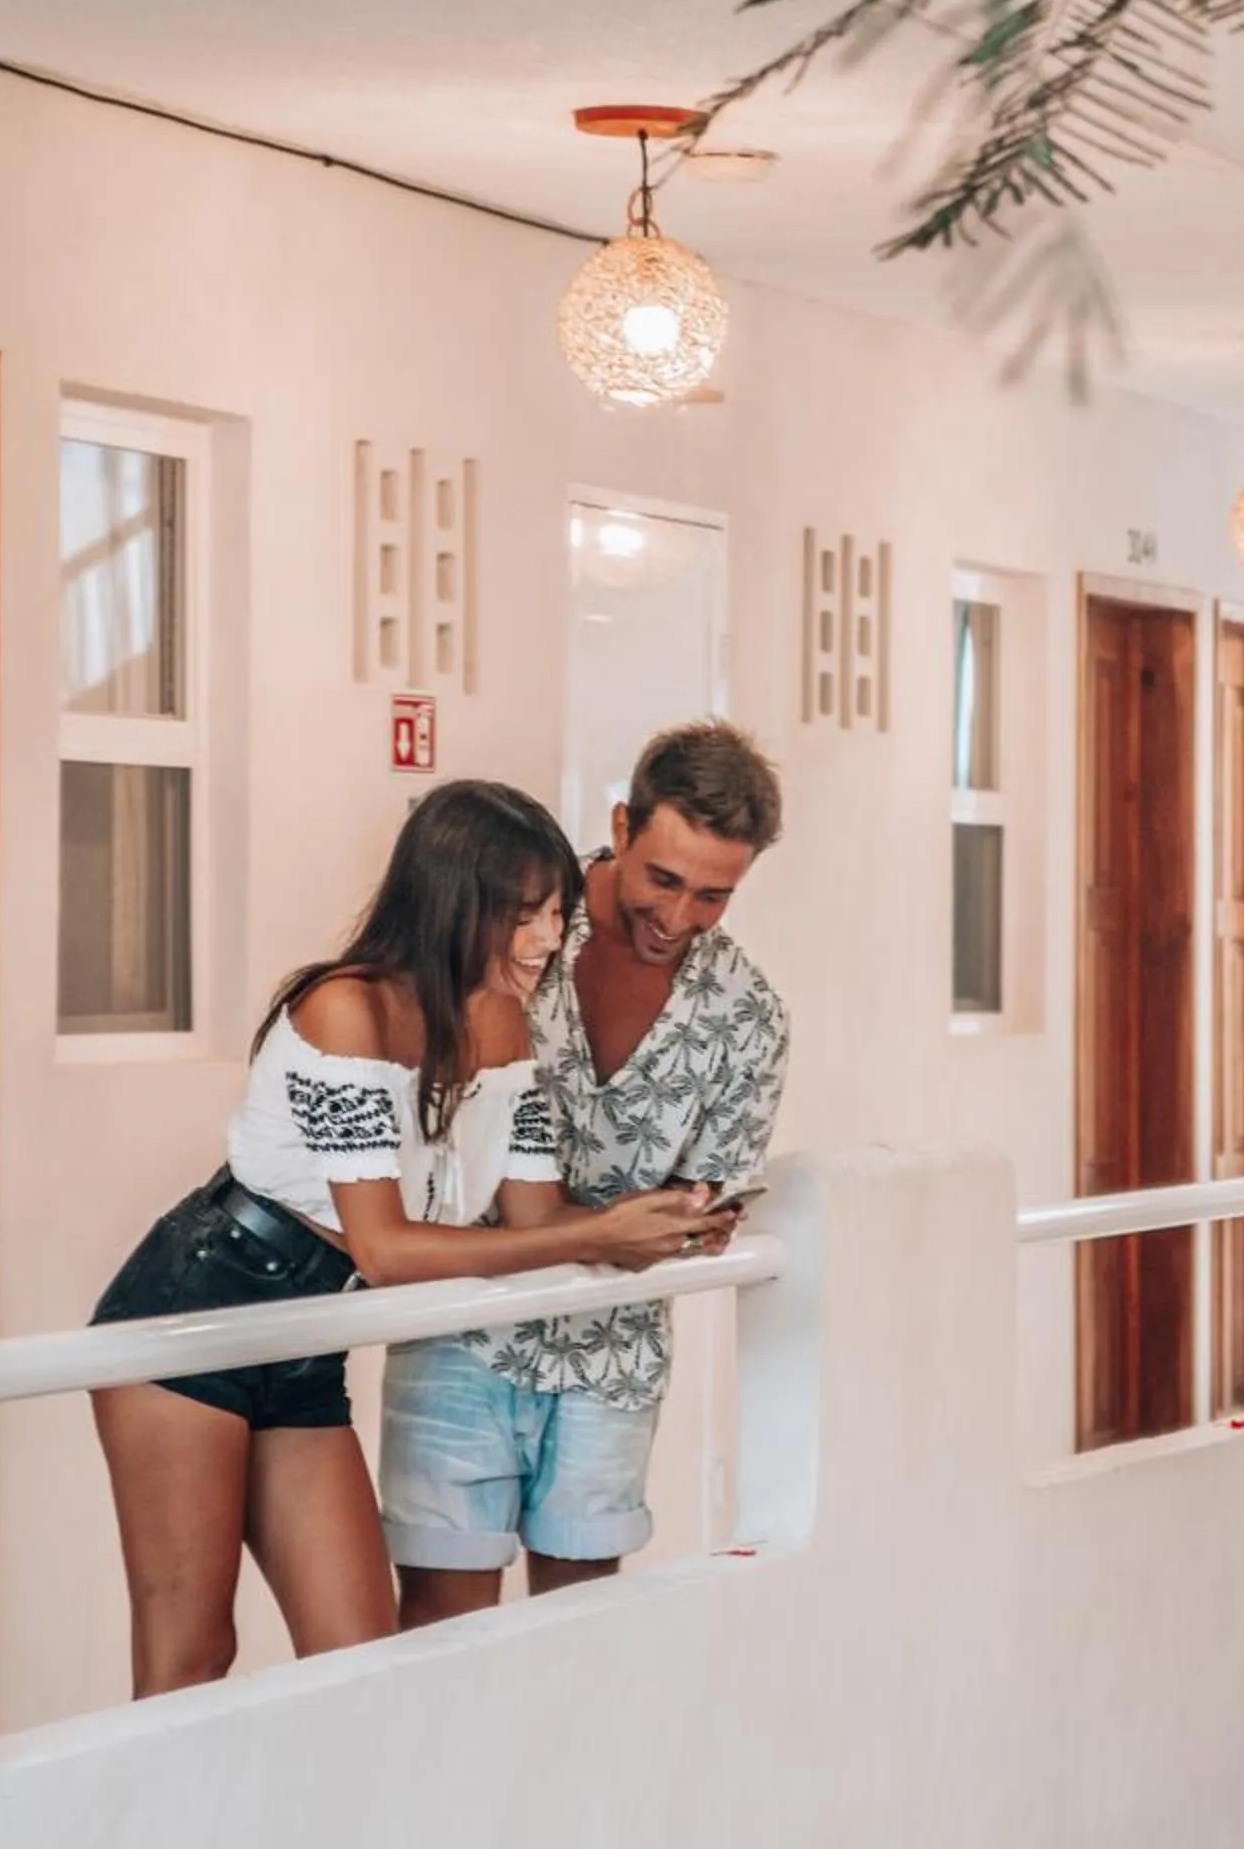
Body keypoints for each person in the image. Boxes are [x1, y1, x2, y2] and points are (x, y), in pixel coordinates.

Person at [86, 779, 730, 1696]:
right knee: (190, 1661)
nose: (550, 938)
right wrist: (599, 1236)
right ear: (451, 902)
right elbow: (385, 1248)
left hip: (306, 1343)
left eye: (555, 912)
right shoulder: (341, 1010)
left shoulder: (501, 1020)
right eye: (525, 915)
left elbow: (534, 1217)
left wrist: (644, 1226)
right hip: (189, 1315)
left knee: (367, 1668)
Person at [385, 722, 789, 1626]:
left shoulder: (748, 1013)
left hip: (615, 1360)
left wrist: (692, 1223)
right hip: (461, 1333)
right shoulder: (509, 922)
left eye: (714, 897)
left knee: (575, 1648)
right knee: (440, 1645)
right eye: (663, 879)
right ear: (621, 823)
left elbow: (710, 1201)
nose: (677, 917)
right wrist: (614, 1225)